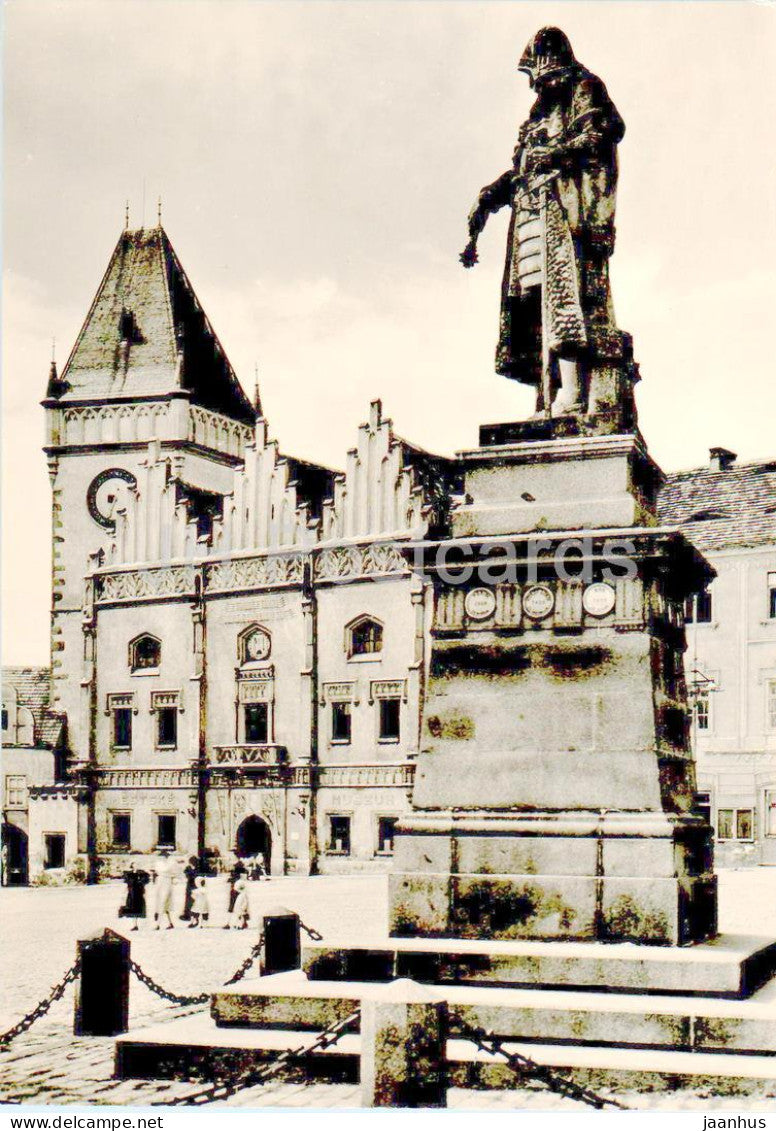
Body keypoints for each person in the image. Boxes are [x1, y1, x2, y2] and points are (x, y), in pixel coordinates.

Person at [461, 27, 625, 416]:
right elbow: (521, 171)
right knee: (534, 306)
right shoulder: (538, 114)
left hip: (564, 213)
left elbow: (604, 131)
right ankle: (547, 396)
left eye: (542, 74)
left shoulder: (585, 88)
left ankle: (574, 393)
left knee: (565, 300)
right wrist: (489, 196)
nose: (537, 84)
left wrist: (556, 152)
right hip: (530, 219)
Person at [119, 862, 150, 931]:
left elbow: (146, 880)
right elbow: (127, 882)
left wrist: (141, 884)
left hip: (139, 892)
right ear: (132, 866)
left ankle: (137, 925)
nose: (136, 866)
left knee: (138, 908)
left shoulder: (142, 873)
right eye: (134, 864)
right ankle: (135, 925)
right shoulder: (129, 874)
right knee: (133, 908)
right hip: (132, 892)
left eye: (137, 864)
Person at [151, 851, 176, 930]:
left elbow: (173, 873)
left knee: (163, 902)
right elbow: (156, 871)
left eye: (165, 856)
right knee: (160, 903)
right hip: (160, 882)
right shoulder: (158, 863)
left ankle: (158, 924)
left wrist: (167, 875)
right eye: (162, 856)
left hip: (167, 882)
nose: (163, 858)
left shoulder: (171, 864)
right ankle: (170, 923)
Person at [180, 856, 198, 922]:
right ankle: (187, 915)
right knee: (188, 901)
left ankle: (192, 915)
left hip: (195, 885)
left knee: (193, 901)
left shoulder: (197, 868)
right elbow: (186, 874)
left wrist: (190, 875)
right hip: (190, 885)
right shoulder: (188, 867)